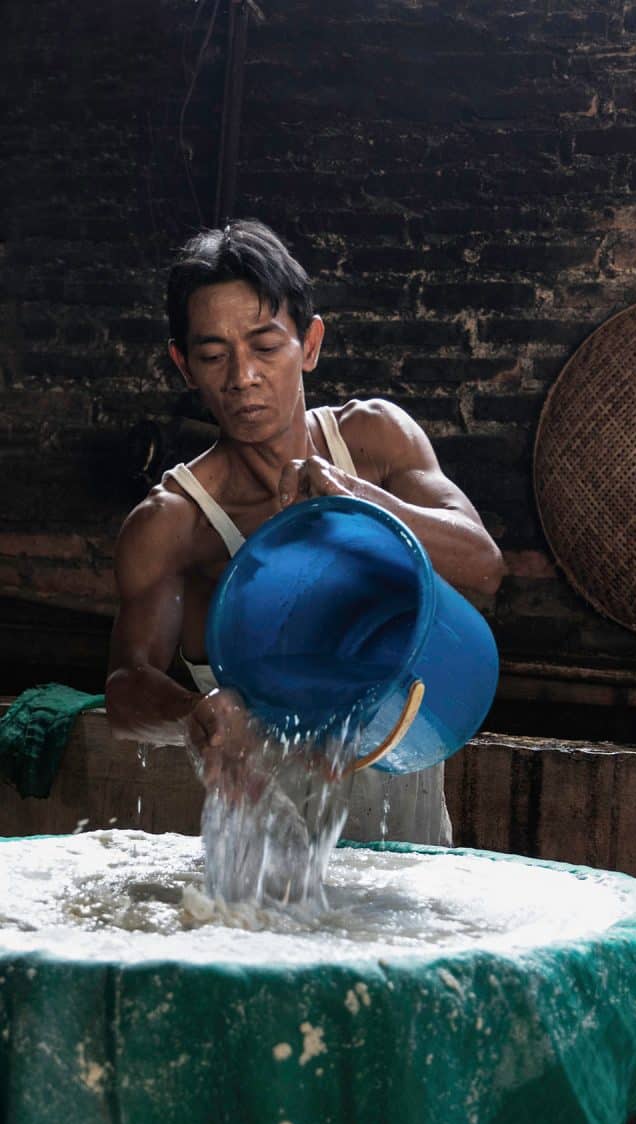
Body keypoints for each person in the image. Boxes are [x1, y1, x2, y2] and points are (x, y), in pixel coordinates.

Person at [105, 219, 505, 844]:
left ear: (309, 344)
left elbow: (484, 567)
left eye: (265, 346)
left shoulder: (374, 441)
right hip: (269, 858)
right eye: (213, 355)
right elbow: (125, 694)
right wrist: (194, 715)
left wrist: (356, 497)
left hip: (410, 831)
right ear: (184, 365)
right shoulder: (174, 523)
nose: (242, 377)